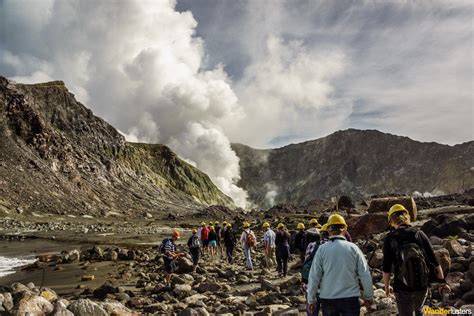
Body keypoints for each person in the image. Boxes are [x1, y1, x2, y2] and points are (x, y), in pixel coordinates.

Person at [382, 204, 449, 316]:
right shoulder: (419, 234)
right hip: (422, 284)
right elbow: (434, 261)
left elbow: (386, 267)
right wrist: (442, 282)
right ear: (407, 217)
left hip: (402, 286)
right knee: (419, 310)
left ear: (391, 221)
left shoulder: (390, 238)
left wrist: (387, 287)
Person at [307, 214, 373, 316]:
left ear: (329, 230)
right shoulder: (353, 248)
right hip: (351, 298)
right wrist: (368, 297)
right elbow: (365, 274)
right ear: (344, 229)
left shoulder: (322, 250)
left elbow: (314, 276)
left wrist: (311, 299)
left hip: (328, 299)